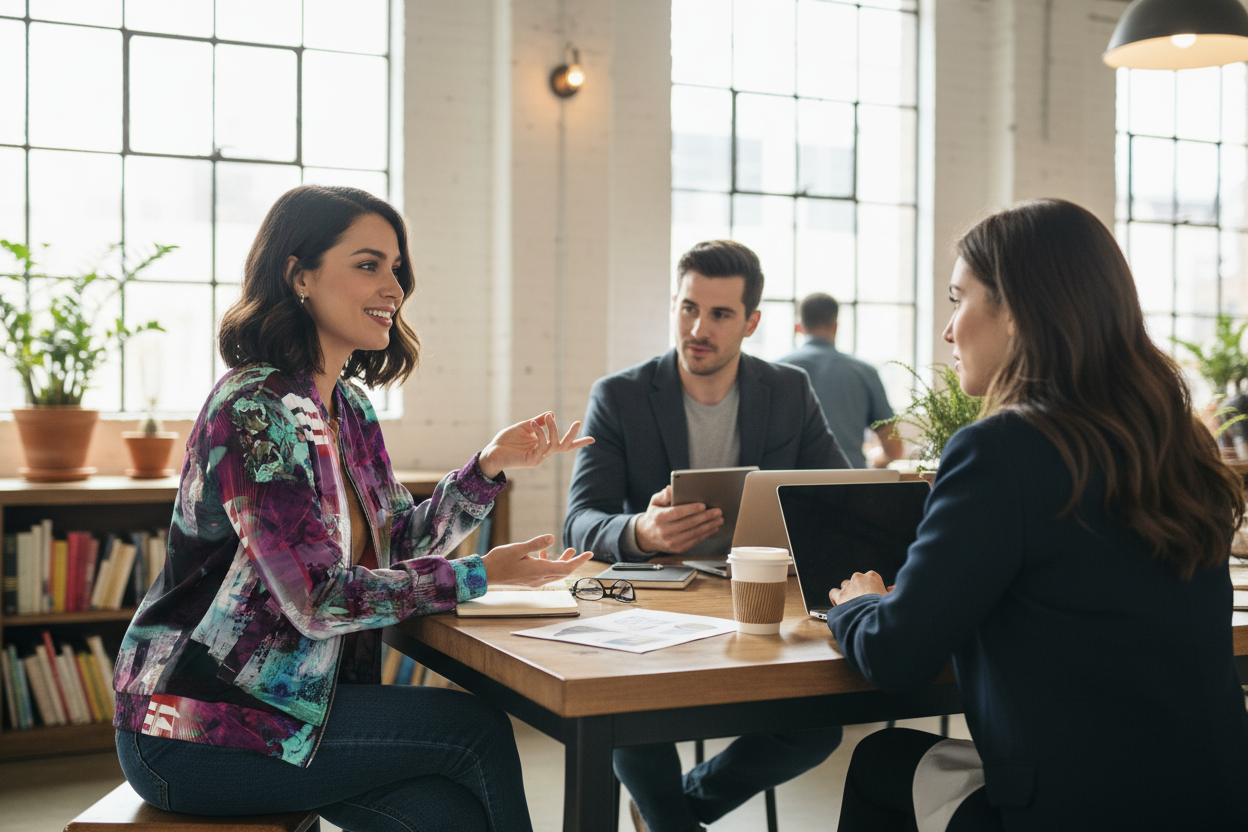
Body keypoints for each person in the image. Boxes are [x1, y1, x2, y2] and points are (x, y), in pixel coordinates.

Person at [110, 185, 595, 832]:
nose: (393, 285)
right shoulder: (255, 410)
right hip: (194, 725)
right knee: (472, 728)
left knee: (450, 816)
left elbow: (393, 547)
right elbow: (317, 598)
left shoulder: (349, 408)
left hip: (300, 708)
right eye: (369, 264)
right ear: (299, 274)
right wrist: (482, 577)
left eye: (397, 267)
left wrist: (488, 469)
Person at [827, 199, 1248, 831]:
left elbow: (897, 656)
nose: (948, 331)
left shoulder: (1002, 449)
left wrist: (856, 604)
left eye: (957, 299)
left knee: (884, 759)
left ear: (1018, 313)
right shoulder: (1176, 442)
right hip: (1213, 799)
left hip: (1076, 811)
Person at [563, 239, 848, 832]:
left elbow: (839, 498)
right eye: (688, 307)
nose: (699, 327)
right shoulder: (620, 396)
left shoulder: (789, 391)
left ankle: (673, 813)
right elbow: (580, 520)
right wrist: (639, 529)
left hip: (762, 606)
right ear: (675, 303)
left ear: (751, 322)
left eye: (720, 314)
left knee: (817, 727)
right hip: (658, 607)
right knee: (624, 706)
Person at [779, 292, 904, 468]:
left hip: (788, 485)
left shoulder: (777, 370)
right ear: (835, 326)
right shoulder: (864, 372)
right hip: (849, 482)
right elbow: (894, 449)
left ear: (798, 327)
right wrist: (876, 462)